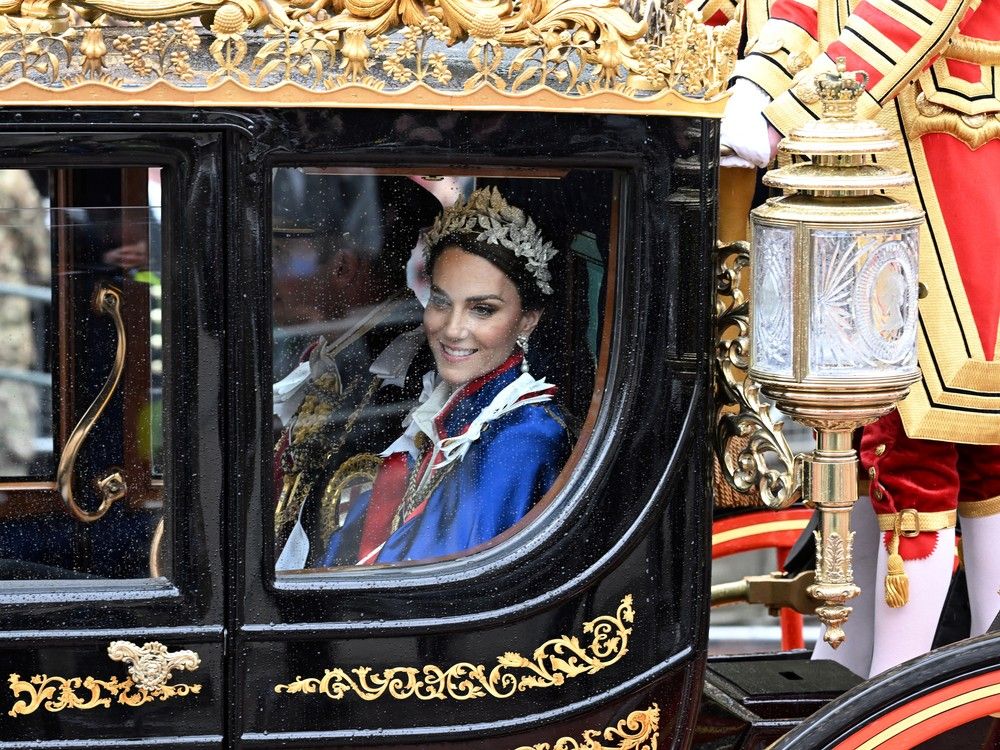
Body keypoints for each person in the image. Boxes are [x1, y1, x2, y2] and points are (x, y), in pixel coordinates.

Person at [720, 0, 1000, 676]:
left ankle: (907, 684)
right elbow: (796, 9)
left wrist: (787, 113)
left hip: (947, 159)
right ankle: (855, 664)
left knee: (938, 439)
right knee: (879, 434)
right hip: (850, 171)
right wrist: (754, 85)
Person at [316, 186, 572, 567]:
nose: (452, 330)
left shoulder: (525, 436)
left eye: (482, 310)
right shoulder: (442, 405)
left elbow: (440, 581)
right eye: (440, 301)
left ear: (527, 319)